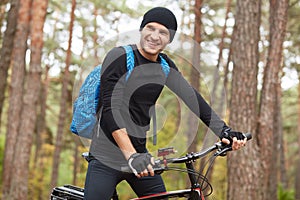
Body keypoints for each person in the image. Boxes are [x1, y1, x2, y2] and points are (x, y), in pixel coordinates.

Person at [84, 7, 247, 200]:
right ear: (141, 30)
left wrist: (224, 131)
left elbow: (194, 99)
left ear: (170, 39)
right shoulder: (119, 57)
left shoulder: (164, 66)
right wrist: (131, 156)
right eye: (150, 28)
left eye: (163, 32)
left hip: (140, 154)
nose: (155, 36)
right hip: (106, 155)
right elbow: (111, 111)